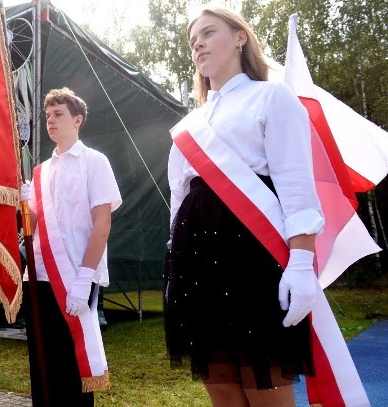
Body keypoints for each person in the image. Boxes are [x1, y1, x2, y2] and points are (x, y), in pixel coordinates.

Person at [164, 7, 325, 407]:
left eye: (207, 32)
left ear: (240, 38)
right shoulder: (190, 123)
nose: (197, 43)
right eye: (192, 40)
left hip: (251, 254)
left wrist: (301, 263)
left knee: (264, 383)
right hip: (197, 259)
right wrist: (174, 260)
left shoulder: (272, 95)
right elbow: (179, 196)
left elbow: (295, 183)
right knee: (220, 385)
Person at [20, 87, 122, 406]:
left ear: (77, 120)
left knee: (74, 365)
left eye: (59, 114)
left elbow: (102, 223)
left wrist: (85, 276)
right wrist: (24, 206)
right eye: (48, 115)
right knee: (42, 366)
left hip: (75, 276)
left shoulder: (95, 162)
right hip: (38, 277)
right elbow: (34, 228)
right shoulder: (39, 173)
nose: (51, 120)